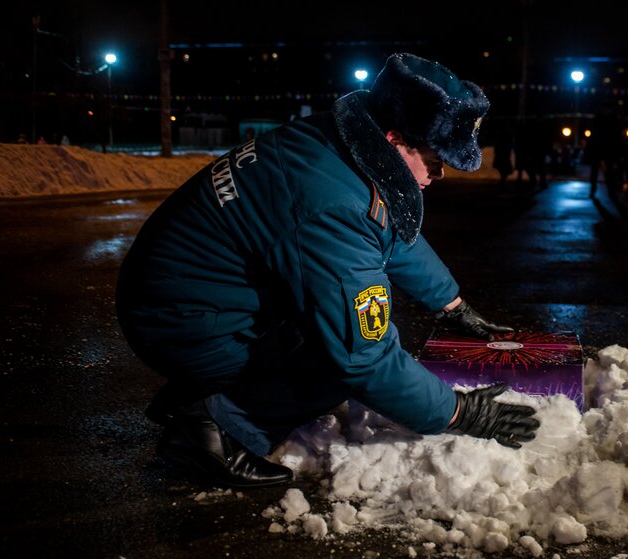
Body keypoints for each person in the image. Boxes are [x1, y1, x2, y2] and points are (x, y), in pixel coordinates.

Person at [116, 53, 540, 489]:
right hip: (180, 321)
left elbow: (386, 231)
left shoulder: (339, 144)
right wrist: (459, 412)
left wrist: (452, 304)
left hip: (180, 295)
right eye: (435, 157)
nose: (441, 172)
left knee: (326, 325)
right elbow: (364, 359)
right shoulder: (332, 203)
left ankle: (204, 388)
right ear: (395, 140)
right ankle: (212, 432)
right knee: (333, 360)